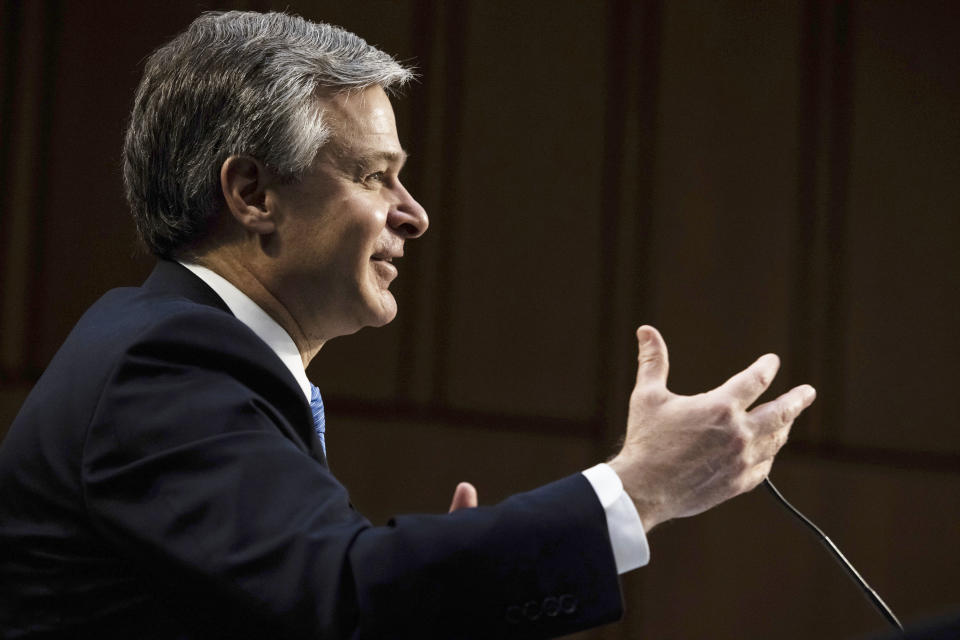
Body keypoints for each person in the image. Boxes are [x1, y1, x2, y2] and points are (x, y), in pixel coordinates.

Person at [0, 11, 816, 639]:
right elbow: (343, 596)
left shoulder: (189, 356)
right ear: (252, 193)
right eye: (374, 175)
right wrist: (639, 490)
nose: (415, 214)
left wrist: (448, 597)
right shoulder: (166, 364)